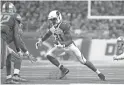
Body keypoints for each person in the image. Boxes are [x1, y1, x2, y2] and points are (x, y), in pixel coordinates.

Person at [36, 10, 105, 80]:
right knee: (48, 55)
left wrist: (62, 45)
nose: (53, 21)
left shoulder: (64, 25)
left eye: (54, 19)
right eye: (51, 20)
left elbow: (69, 40)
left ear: (59, 17)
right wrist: (41, 40)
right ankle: (63, 69)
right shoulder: (53, 27)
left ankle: (99, 73)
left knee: (83, 61)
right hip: (60, 47)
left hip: (70, 46)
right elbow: (48, 34)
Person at [1, 2, 36, 84]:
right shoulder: (14, 17)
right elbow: (18, 39)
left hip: (3, 43)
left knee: (9, 56)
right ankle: (15, 76)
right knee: (14, 59)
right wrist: (21, 51)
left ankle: (9, 78)